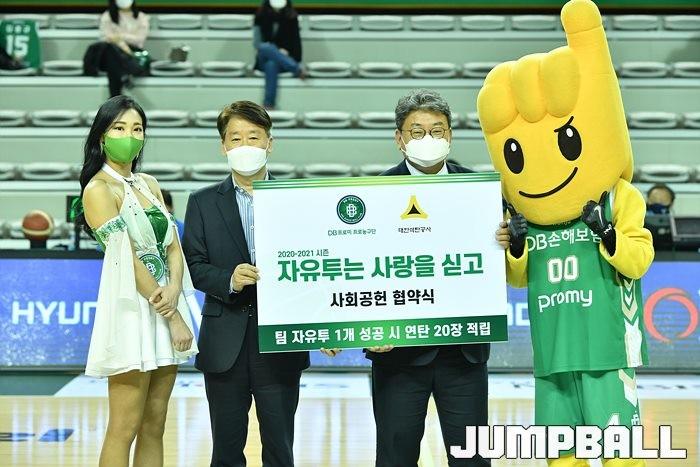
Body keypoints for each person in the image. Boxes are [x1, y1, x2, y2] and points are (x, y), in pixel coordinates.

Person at [478, 1, 652, 465]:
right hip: (552, 351)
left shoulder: (616, 198)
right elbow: (519, 278)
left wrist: (608, 234)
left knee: (619, 453)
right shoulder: (526, 214)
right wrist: (516, 245)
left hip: (607, 348)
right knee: (560, 454)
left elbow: (638, 260)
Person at [183, 100, 328, 466]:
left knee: (280, 449)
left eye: (253, 137)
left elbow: (316, 267)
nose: (245, 146)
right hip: (224, 345)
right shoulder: (202, 202)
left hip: (281, 343)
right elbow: (194, 267)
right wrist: (229, 279)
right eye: (236, 138)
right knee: (226, 451)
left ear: (269, 143)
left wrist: (324, 326)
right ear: (223, 146)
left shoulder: (297, 200)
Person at [367, 88, 491, 467]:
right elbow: (360, 269)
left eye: (437, 131)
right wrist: (365, 327)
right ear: (399, 139)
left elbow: (503, 261)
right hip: (397, 354)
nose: (429, 139)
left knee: (472, 458)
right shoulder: (373, 195)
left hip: (464, 352)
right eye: (417, 131)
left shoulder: (481, 190)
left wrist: (510, 242)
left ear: (450, 135)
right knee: (396, 457)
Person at [75, 95, 198, 467]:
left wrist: (174, 291)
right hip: (132, 312)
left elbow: (173, 245)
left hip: (165, 304)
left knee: (154, 425)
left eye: (137, 128)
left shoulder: (149, 183)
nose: (129, 135)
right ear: (102, 136)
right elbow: (128, 260)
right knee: (123, 427)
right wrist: (173, 316)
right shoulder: (97, 189)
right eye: (119, 127)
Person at [253, 0, 305, 110]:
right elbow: (257, 44)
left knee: (271, 64)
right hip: (264, 56)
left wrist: (287, 52)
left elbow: (296, 43)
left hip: (282, 62)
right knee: (266, 47)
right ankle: (296, 69)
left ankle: (269, 104)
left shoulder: (291, 18)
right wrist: (276, 50)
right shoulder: (260, 16)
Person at [98, 0, 150, 97]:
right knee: (110, 51)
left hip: (133, 52)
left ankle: (114, 96)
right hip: (113, 52)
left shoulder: (141, 17)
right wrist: (123, 45)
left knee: (113, 59)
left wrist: (120, 36)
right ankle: (123, 75)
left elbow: (139, 39)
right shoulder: (107, 16)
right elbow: (106, 38)